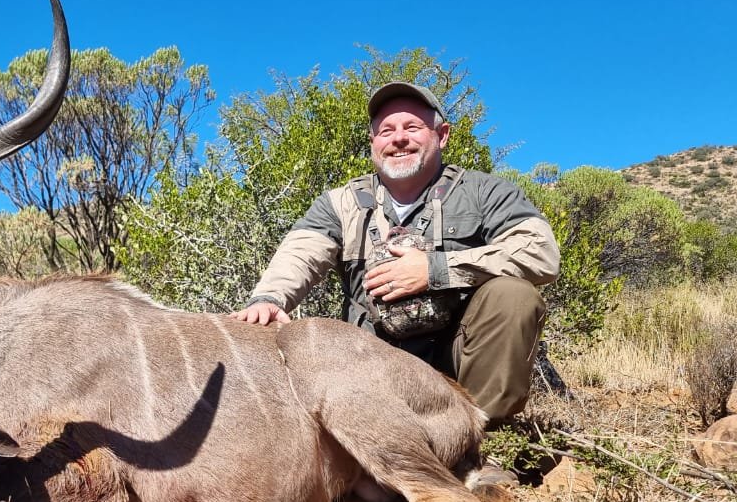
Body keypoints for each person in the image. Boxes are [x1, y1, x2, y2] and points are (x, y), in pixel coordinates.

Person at [228, 80, 560, 423]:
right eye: (386, 131)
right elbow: (301, 252)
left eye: (412, 127)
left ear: (442, 135)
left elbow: (540, 253)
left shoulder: (485, 193)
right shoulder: (340, 202)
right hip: (368, 366)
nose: (398, 138)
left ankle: (481, 440)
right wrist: (268, 298)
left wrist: (435, 270)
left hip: (457, 365)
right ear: (374, 143)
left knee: (514, 295)